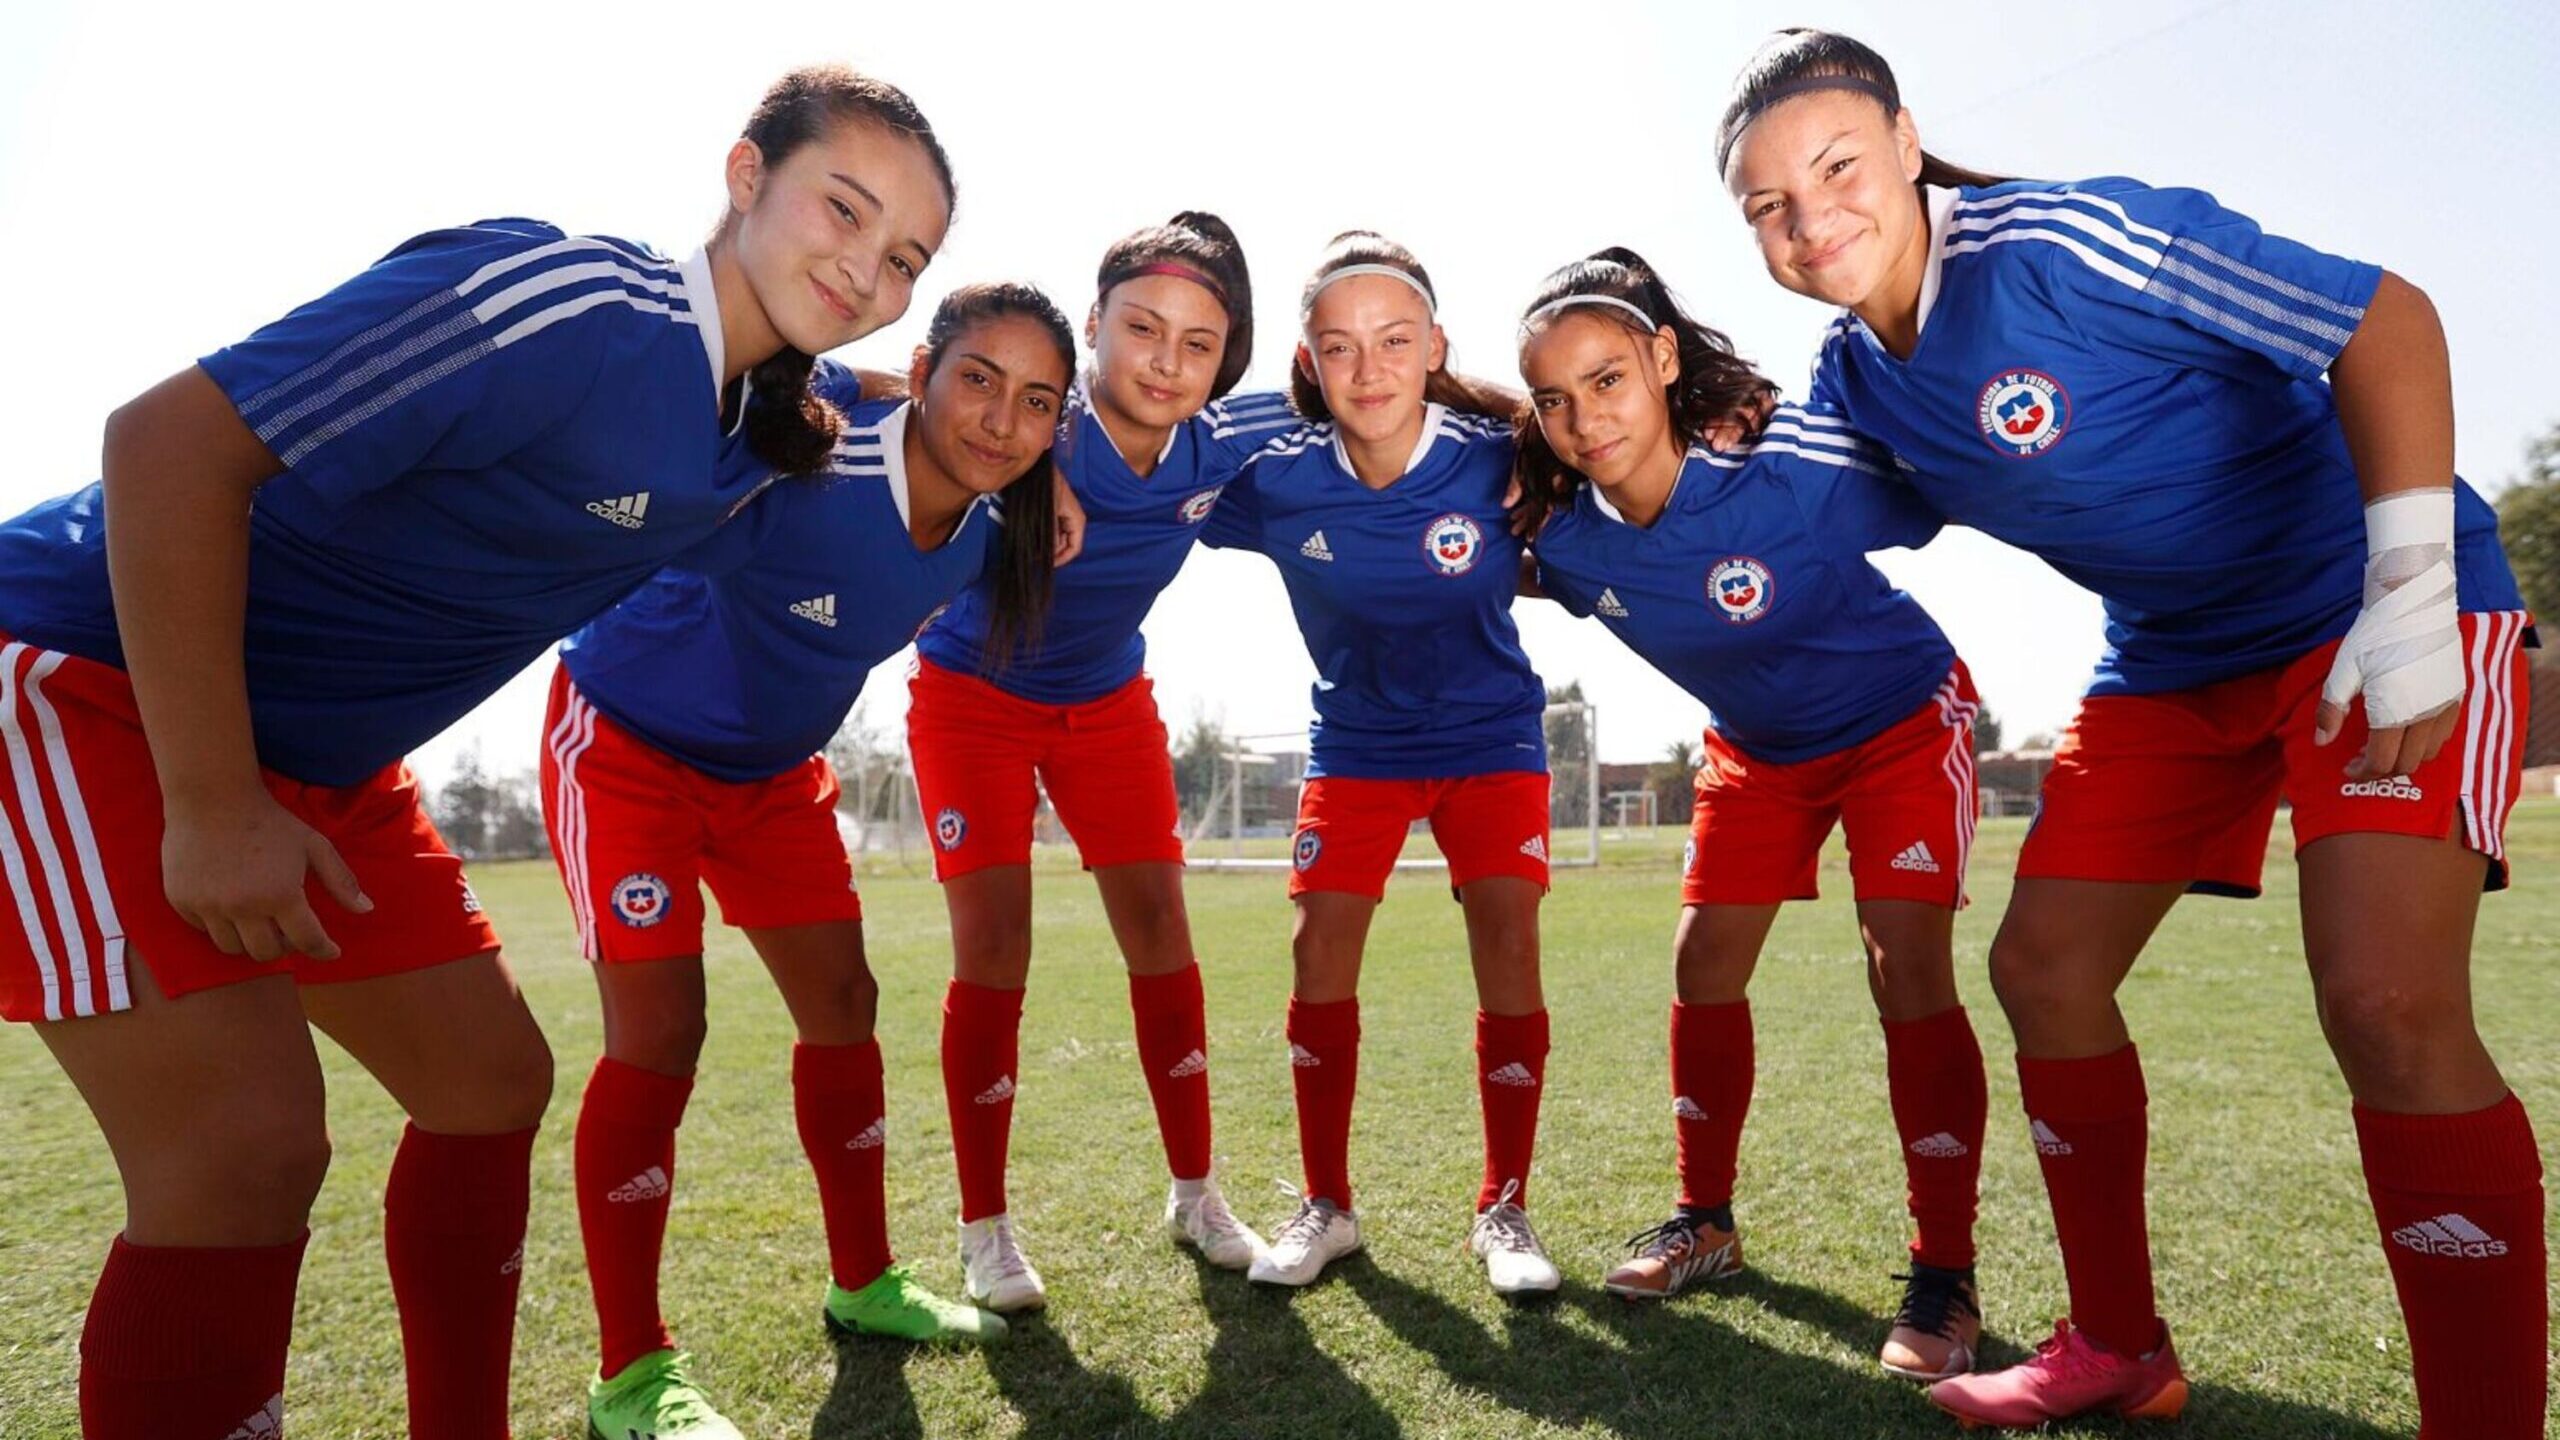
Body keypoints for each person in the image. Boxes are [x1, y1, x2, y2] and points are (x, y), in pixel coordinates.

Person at [0, 64, 953, 1440]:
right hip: (94, 682)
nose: (867, 265)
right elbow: (162, 444)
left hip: (322, 762)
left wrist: (999, 457)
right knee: (242, 1148)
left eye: (906, 257)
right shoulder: (570, 304)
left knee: (488, 1080)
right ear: (746, 175)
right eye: (844, 209)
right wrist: (209, 804)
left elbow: (891, 411)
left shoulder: (764, 428)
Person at [1721, 29, 2543, 1435]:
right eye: (1767, 208)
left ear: (1909, 146)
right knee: (2043, 967)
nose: (1812, 219)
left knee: (2388, 1007)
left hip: (2366, 610)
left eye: (1838, 167)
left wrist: (2408, 590)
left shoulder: (2065, 240)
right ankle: (2117, 1343)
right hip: (2170, 663)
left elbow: (2384, 317)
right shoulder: (1853, 381)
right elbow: (1770, 534)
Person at [544, 282, 1071, 1438]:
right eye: (977, 378)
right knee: (661, 1032)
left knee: (845, 1002)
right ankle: (630, 1372)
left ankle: (865, 1284)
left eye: (1036, 402)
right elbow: (756, 376)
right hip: (626, 746)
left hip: (774, 781)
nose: (999, 419)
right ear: (924, 365)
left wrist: (1054, 488)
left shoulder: (991, 538)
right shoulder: (819, 452)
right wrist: (862, 379)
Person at [1515, 247, 1990, 1377]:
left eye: (1609, 381)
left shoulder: (1778, 470)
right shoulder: (1569, 544)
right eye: (1554, 398)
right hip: (1758, 754)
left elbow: (1936, 471)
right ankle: (1706, 1225)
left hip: (1900, 721)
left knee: (1903, 961)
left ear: (1663, 362)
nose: (1585, 417)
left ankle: (1944, 1271)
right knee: (1702, 964)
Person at [903, 214, 1298, 1312]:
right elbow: (895, 384)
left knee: (1162, 935)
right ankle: (986, 1229)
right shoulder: (1029, 424)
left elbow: (1374, 394)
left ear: (1225, 360)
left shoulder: (1218, 445)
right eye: (1141, 329)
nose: (1166, 362)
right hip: (971, 701)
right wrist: (1032, 473)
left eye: (1198, 343)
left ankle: (1195, 1193)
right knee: (995, 951)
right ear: (1091, 331)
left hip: (1106, 706)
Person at [1203, 232, 1560, 1296]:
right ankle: (1327, 1205)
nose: (1371, 370)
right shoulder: (1276, 484)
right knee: (1318, 955)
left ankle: (1504, 1208)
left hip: (1490, 737)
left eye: (1396, 341)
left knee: (1507, 948)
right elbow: (1159, 460)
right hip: (1356, 743)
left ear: (1435, 346)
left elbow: (1602, 449)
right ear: (1308, 363)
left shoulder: (1500, 458)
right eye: (1341, 347)